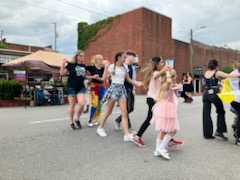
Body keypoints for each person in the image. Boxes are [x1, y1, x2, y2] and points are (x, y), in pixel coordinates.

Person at [132, 56, 184, 147]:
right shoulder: (155, 73)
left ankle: (169, 140)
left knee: (160, 119)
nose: (163, 64)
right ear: (157, 64)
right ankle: (137, 136)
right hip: (152, 99)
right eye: (162, 62)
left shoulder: (160, 73)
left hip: (156, 99)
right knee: (152, 119)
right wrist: (165, 70)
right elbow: (156, 75)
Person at [96, 51, 143, 141]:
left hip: (122, 89)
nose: (125, 59)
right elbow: (104, 78)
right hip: (114, 89)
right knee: (109, 111)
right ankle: (100, 128)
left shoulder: (125, 67)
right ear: (118, 58)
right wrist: (104, 70)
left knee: (124, 112)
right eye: (124, 57)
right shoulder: (111, 67)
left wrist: (137, 83)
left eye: (126, 57)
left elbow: (128, 79)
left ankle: (126, 134)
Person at [60, 50, 98, 130]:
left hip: (80, 87)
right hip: (71, 87)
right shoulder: (71, 65)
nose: (82, 57)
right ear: (76, 56)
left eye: (83, 56)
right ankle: (71, 122)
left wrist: (92, 77)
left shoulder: (84, 66)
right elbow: (62, 73)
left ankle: (77, 119)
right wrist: (63, 64)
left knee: (81, 103)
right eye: (80, 56)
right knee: (72, 105)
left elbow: (84, 76)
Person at [202, 59, 240, 139]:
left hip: (205, 93)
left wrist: (219, 83)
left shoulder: (206, 72)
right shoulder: (217, 72)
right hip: (214, 93)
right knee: (220, 111)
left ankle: (207, 134)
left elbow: (209, 82)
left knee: (206, 114)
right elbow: (231, 76)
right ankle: (220, 131)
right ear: (216, 65)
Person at [151, 69, 180, 160]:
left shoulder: (168, 85)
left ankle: (157, 149)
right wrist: (167, 72)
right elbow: (168, 81)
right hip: (167, 109)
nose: (176, 77)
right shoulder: (166, 84)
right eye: (175, 76)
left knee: (162, 130)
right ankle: (161, 148)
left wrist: (175, 88)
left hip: (165, 108)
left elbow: (172, 90)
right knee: (173, 130)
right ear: (172, 77)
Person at [114, 50, 137, 132]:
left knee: (131, 108)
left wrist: (135, 87)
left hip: (130, 89)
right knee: (126, 108)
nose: (133, 59)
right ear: (127, 56)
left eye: (134, 57)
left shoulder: (132, 67)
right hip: (123, 89)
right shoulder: (122, 66)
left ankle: (118, 120)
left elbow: (133, 79)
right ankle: (128, 127)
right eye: (132, 57)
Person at [86, 54, 108, 127]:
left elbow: (103, 79)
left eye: (102, 59)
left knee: (99, 105)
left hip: (102, 87)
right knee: (94, 103)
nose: (101, 60)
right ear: (96, 60)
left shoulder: (103, 68)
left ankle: (95, 119)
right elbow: (83, 74)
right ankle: (90, 120)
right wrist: (91, 77)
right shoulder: (90, 67)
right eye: (99, 59)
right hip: (94, 87)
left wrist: (106, 67)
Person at [229, 60, 240, 144]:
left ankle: (237, 132)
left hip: (233, 98)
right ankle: (238, 135)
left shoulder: (231, 73)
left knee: (238, 115)